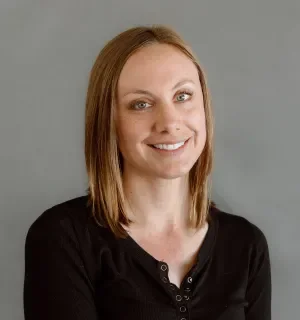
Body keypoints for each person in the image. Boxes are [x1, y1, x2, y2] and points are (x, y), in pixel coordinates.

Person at [23, 25, 271, 320]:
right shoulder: (63, 238)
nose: (169, 122)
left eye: (182, 96)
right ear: (109, 122)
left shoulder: (246, 244)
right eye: (141, 104)